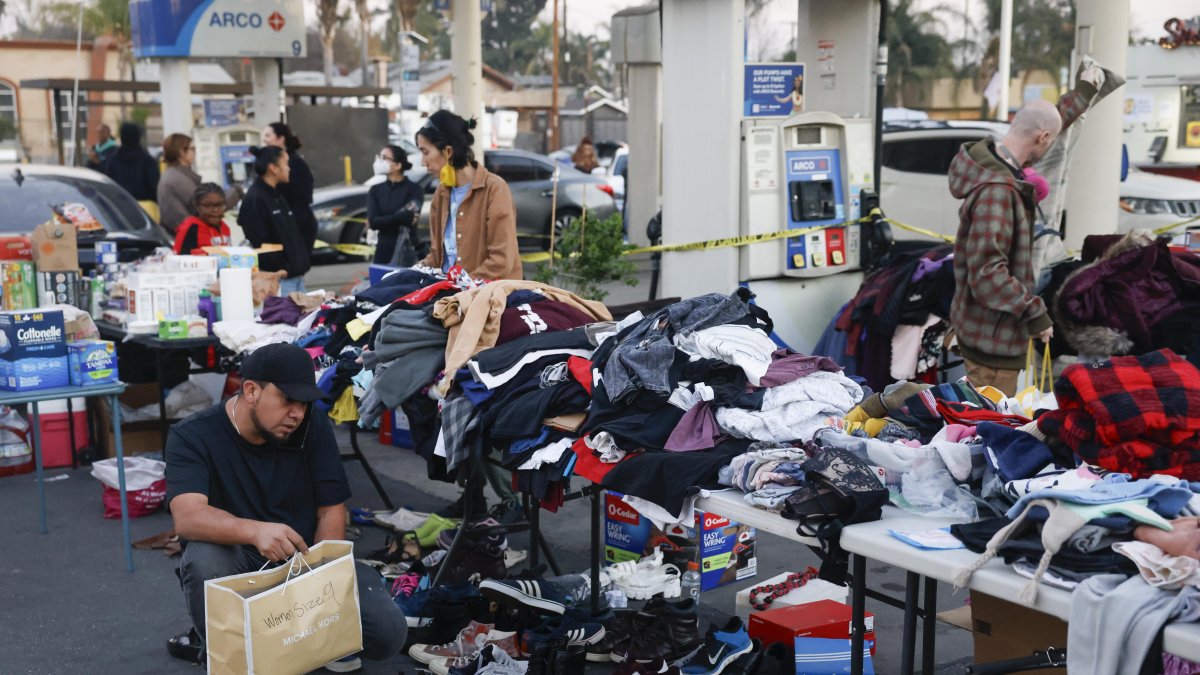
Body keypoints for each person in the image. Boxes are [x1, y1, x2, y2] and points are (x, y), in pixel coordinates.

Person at [164, 343, 406, 670]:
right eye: (288, 400)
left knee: (388, 633)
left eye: (305, 403)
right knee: (205, 559)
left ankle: (299, 639)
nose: (298, 413)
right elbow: (188, 517)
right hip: (240, 562)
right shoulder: (193, 435)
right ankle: (225, 645)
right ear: (251, 391)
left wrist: (322, 581)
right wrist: (255, 531)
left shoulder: (311, 425)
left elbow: (331, 509)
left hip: (303, 557)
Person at [948, 74, 1097, 396]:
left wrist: (1083, 94)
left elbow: (1043, 120)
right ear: (1043, 138)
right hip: (992, 345)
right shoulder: (998, 192)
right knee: (990, 434)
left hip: (986, 333)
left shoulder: (989, 161)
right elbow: (987, 273)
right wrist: (1035, 312)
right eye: (1050, 141)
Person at [415, 109, 522, 280]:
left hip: (484, 297)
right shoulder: (441, 194)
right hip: (447, 294)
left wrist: (459, 288)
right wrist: (412, 272)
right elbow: (437, 258)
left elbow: (501, 262)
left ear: (448, 152)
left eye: (425, 152)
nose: (422, 161)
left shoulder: (494, 189)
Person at [237, 146, 311, 293]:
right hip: (279, 279)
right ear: (273, 168)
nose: (289, 168)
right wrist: (284, 267)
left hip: (296, 276)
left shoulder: (276, 195)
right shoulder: (256, 199)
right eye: (286, 164)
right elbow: (259, 243)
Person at [262, 123, 318, 254]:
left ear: (281, 138)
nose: (264, 139)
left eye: (268, 135)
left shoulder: (295, 164)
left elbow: (301, 200)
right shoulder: (272, 163)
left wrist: (289, 229)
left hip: (296, 228)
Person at [367, 144, 424, 266]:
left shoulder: (415, 189)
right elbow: (373, 222)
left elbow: (409, 218)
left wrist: (386, 220)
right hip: (382, 251)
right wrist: (399, 217)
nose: (379, 161)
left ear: (398, 165)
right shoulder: (375, 190)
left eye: (384, 158)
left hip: (407, 249)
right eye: (379, 157)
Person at [102, 122, 159, 202]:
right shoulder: (148, 161)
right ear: (138, 137)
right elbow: (155, 188)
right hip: (144, 208)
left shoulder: (112, 161)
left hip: (119, 207)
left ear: (122, 137)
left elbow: (108, 186)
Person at [157, 133, 202, 235]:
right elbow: (203, 205)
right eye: (192, 148)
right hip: (185, 235)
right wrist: (236, 192)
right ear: (181, 152)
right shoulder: (177, 178)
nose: (194, 152)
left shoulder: (173, 174)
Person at [173, 183, 232, 255]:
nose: (215, 210)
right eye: (208, 205)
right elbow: (178, 258)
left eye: (219, 205)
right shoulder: (190, 228)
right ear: (197, 206)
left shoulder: (225, 227)